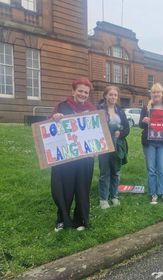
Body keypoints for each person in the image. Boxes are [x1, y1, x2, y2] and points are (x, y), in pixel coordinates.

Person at [50, 77, 96, 232]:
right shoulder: (62, 106)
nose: (83, 94)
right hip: (67, 157)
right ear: (73, 91)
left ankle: (81, 219)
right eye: (80, 91)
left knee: (83, 189)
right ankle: (62, 219)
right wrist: (54, 119)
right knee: (66, 188)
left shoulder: (92, 109)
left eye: (86, 92)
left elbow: (98, 133)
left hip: (85, 157)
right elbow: (49, 130)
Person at [139, 83, 163, 205]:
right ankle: (153, 194)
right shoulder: (146, 108)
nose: (156, 94)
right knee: (151, 169)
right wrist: (145, 121)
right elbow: (140, 125)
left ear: (162, 94)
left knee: (162, 169)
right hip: (149, 142)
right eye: (154, 92)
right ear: (151, 94)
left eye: (158, 92)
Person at [98, 86, 130, 209]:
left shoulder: (120, 111)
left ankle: (114, 196)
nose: (113, 97)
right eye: (110, 94)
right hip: (104, 146)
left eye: (115, 95)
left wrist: (120, 133)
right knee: (104, 173)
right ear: (105, 96)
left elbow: (127, 129)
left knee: (115, 172)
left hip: (117, 146)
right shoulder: (99, 110)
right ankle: (103, 199)